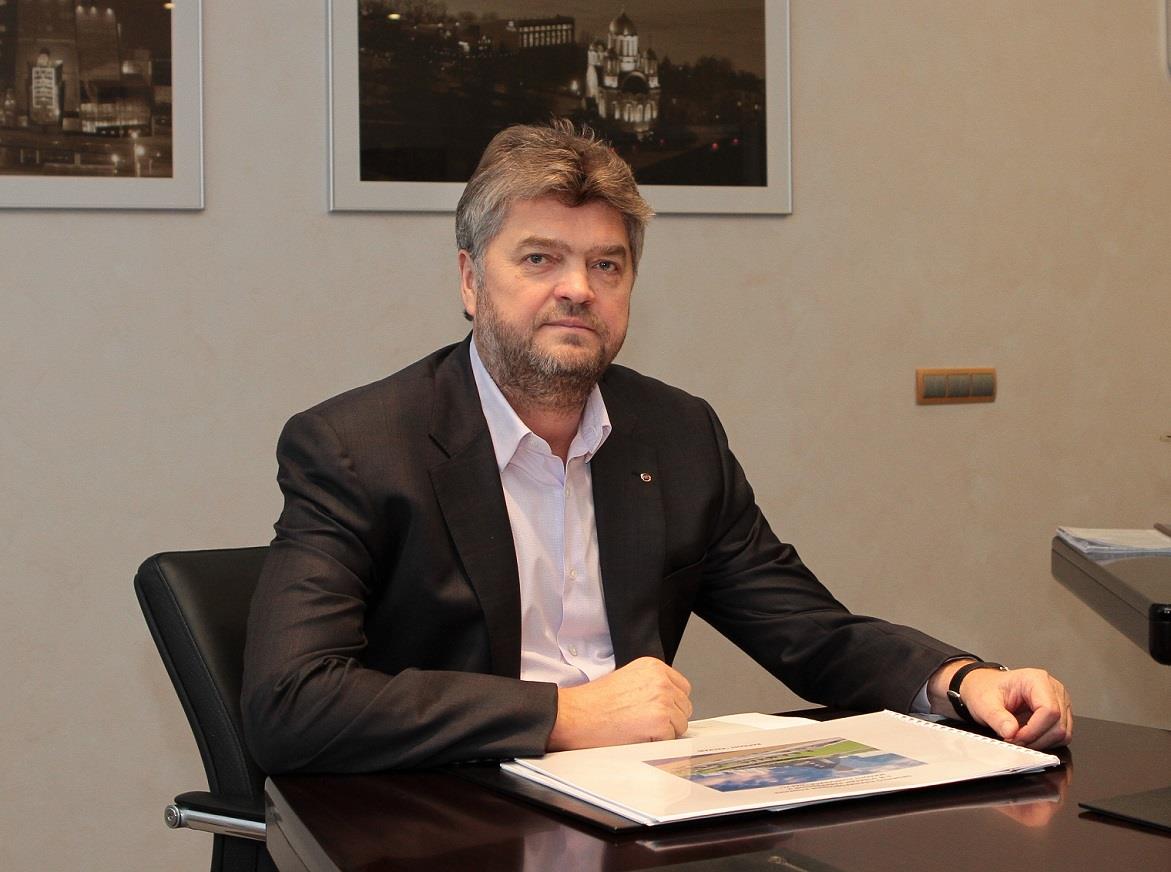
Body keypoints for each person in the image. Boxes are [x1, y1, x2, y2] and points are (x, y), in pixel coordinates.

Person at [241, 120, 1072, 774]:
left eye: (606, 266)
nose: (577, 288)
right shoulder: (356, 447)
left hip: (633, 809)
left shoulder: (675, 435)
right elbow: (289, 703)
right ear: (469, 279)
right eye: (539, 258)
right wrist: (564, 715)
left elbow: (810, 632)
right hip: (443, 816)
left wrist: (962, 681)